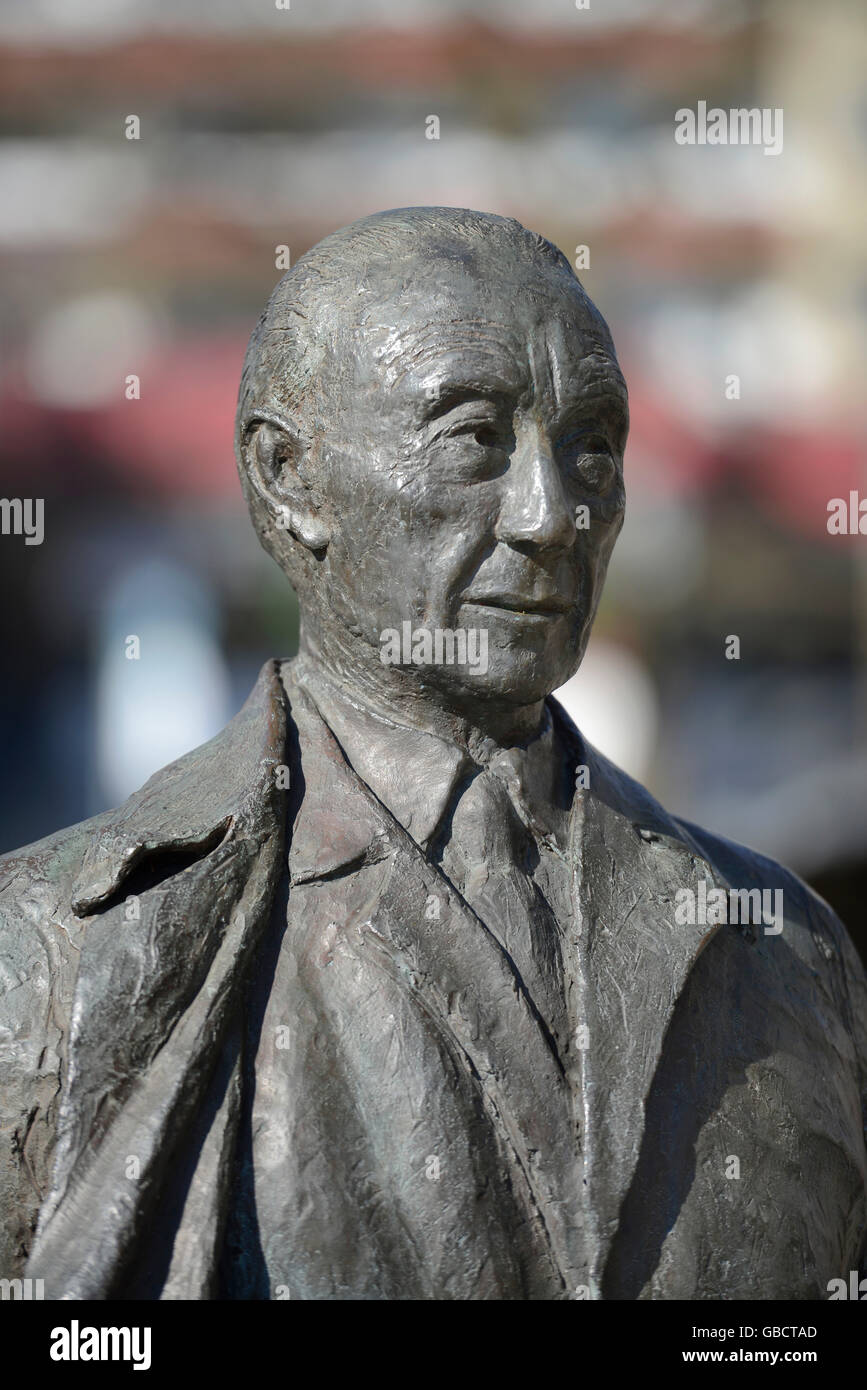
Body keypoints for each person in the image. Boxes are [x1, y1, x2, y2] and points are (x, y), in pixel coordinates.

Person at [2, 208, 865, 1300]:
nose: (552, 515)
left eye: (592, 446)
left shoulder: (787, 951)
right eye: (473, 440)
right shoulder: (59, 959)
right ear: (287, 480)